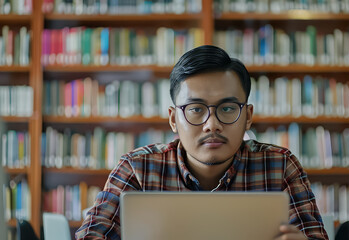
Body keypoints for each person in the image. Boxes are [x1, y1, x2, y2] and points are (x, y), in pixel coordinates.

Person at [75, 45, 329, 240]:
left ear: (248, 117)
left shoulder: (280, 165)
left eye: (228, 108)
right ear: (174, 120)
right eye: (196, 109)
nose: (212, 124)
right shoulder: (137, 168)